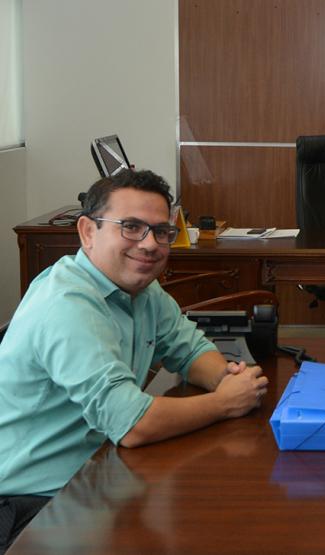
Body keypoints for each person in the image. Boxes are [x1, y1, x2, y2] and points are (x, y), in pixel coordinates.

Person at [0, 170, 267, 550]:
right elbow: (132, 425)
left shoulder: (140, 288)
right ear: (88, 232)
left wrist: (225, 377)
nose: (149, 244)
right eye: (130, 227)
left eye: (161, 232)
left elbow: (189, 349)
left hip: (95, 474)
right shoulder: (66, 305)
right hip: (32, 504)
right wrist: (225, 402)